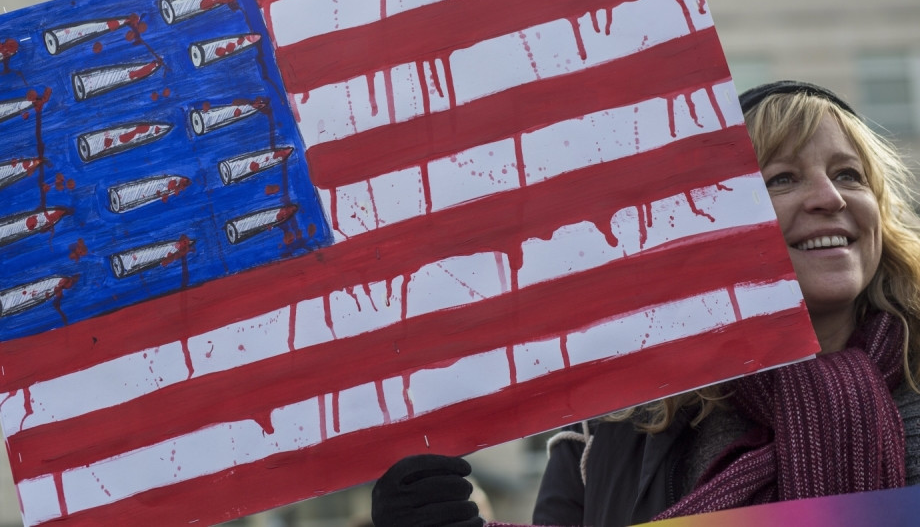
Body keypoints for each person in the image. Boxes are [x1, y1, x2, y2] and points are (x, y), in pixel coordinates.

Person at [370, 81, 920, 527]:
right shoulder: (614, 424)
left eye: (849, 175)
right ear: (713, 222)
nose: (829, 197)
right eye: (781, 179)